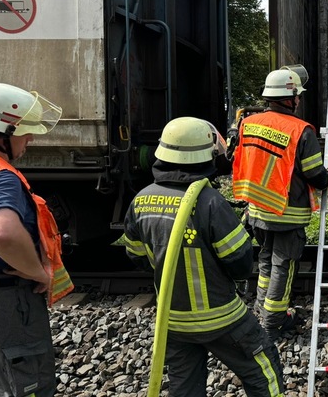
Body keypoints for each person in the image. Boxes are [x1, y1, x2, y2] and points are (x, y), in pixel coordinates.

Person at [122, 117, 285, 397]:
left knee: (184, 387)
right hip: (221, 318)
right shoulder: (209, 202)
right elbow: (240, 262)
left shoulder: (141, 200)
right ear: (203, 156)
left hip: (172, 319)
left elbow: (137, 256)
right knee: (263, 368)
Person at [0, 83, 74, 396]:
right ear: (2, 131)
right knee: (22, 385)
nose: (30, 138)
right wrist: (37, 271)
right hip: (2, 300)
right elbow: (1, 230)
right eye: (26, 131)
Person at [230, 65, 328, 342]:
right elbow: (314, 173)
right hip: (287, 211)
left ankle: (262, 310)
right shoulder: (301, 130)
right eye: (297, 96)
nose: (299, 100)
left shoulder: (249, 123)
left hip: (257, 208)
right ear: (291, 99)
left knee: (265, 261)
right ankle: (273, 322)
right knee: (283, 265)